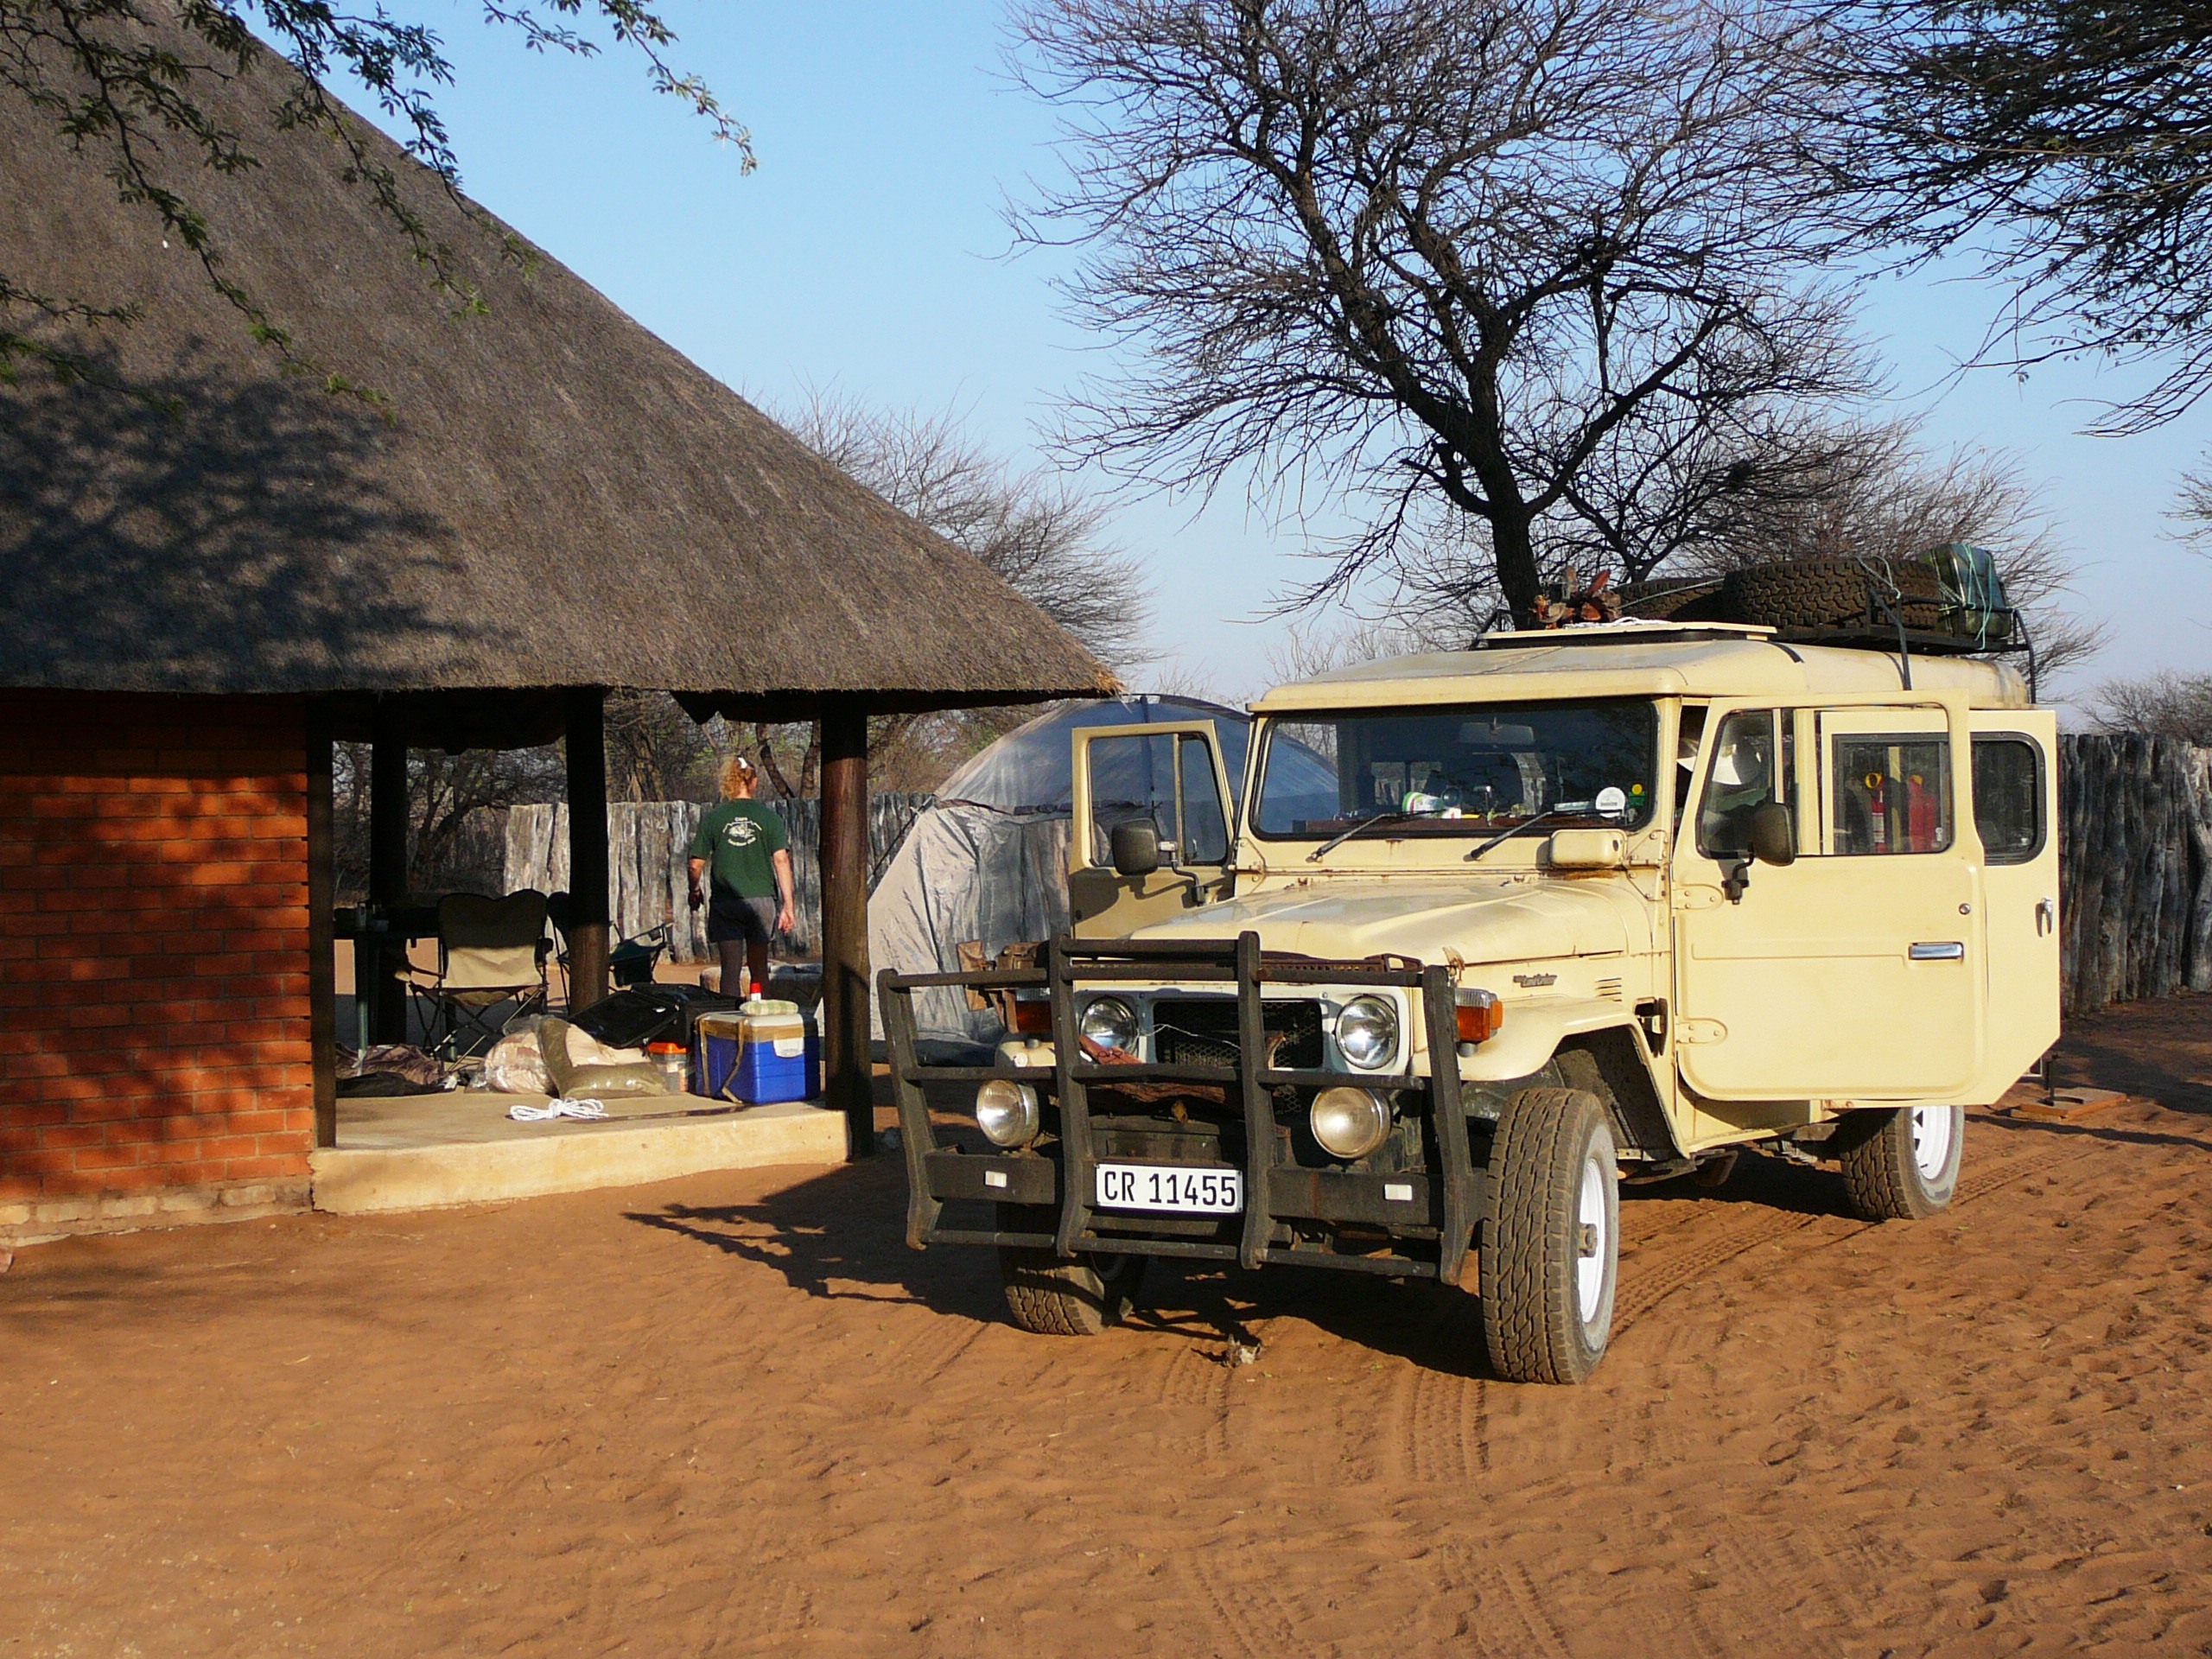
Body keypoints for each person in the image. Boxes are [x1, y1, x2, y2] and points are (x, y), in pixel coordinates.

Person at [688, 755, 798, 999]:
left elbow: (695, 864)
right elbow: (781, 860)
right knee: (759, 969)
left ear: (728, 781)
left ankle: (732, 1016)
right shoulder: (769, 818)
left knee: (731, 970)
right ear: (754, 781)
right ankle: (759, 1015)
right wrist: (788, 905)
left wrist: (694, 890)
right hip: (762, 901)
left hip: (726, 902)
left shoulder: (714, 818)